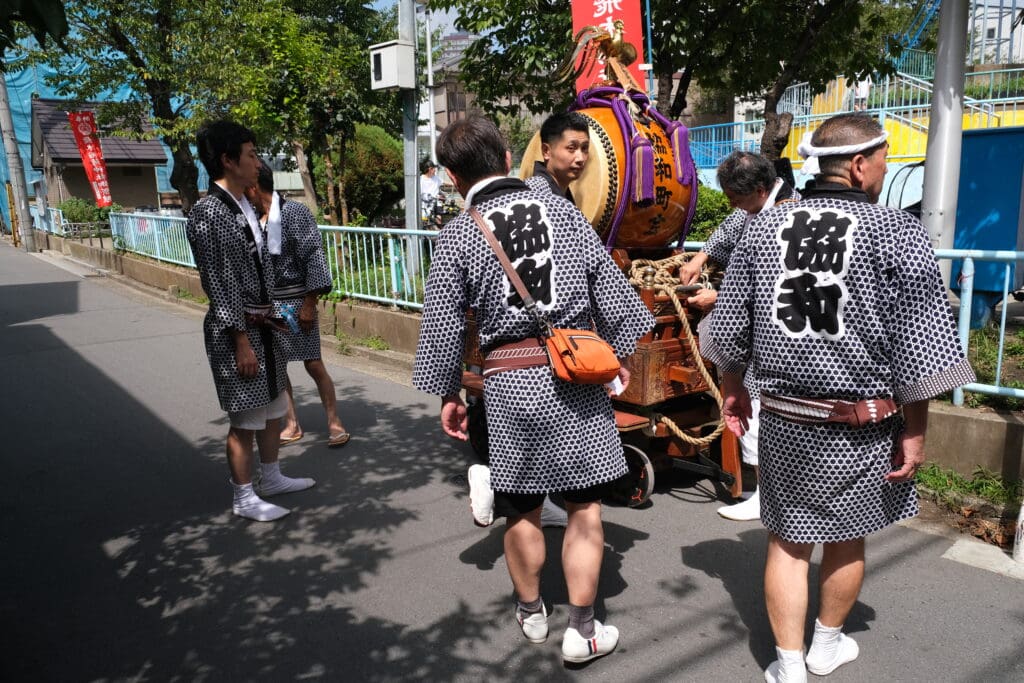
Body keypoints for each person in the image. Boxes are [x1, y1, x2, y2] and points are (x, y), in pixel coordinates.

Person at [700, 113, 975, 682]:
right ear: (858, 164)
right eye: (881, 160)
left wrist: (732, 388)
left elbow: (729, 330)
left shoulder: (761, 229)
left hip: (783, 419)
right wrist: (916, 432)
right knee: (846, 538)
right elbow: (920, 347)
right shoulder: (897, 231)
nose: (882, 171)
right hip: (862, 422)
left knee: (787, 543)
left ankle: (790, 665)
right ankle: (826, 644)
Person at [413, 116, 654, 663]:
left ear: (452, 178)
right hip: (574, 377)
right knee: (584, 507)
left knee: (520, 508)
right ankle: (584, 628)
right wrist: (614, 360)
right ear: (505, 157)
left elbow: (443, 325)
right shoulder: (565, 213)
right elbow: (616, 298)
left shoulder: (458, 233)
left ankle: (531, 613)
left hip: (508, 385)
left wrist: (448, 394)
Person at [468, 111, 593, 530]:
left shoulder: (560, 197)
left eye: (585, 149)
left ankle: (516, 487)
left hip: (534, 344)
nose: (579, 157)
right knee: (537, 441)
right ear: (545, 150)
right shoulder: (542, 198)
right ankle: (491, 474)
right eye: (571, 148)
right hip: (537, 341)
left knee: (536, 438)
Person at [186, 121, 315, 522]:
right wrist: (240, 340)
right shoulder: (209, 213)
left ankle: (272, 476)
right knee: (245, 416)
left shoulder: (243, 203)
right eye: (251, 154)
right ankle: (243, 497)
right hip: (238, 331)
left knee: (274, 407)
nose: (257, 162)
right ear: (227, 160)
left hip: (264, 324)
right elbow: (220, 283)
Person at [678, 151, 800, 521]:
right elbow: (730, 227)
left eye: (737, 199)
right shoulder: (755, 208)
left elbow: (775, 282)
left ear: (761, 189)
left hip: (776, 332)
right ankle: (767, 491)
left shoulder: (789, 215)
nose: (734, 206)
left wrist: (719, 297)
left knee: (757, 408)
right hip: (756, 330)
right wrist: (700, 259)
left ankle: (766, 494)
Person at [244, 161, 350, 449]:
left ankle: (334, 422)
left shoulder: (295, 213)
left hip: (296, 301)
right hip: (268, 306)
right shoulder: (252, 218)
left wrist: (309, 303)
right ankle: (291, 423)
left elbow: (314, 256)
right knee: (278, 367)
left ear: (254, 187)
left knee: (313, 363)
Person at [420, 158, 443, 227]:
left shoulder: (436, 178)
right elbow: (421, 194)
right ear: (430, 169)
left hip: (436, 202)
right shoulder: (421, 179)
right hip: (426, 203)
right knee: (425, 220)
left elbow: (443, 182)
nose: (435, 170)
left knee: (439, 218)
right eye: (434, 169)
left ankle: (440, 231)